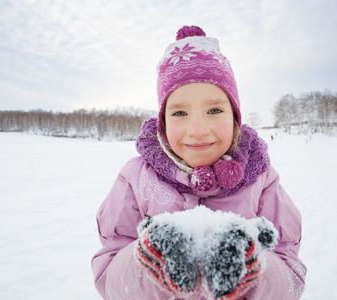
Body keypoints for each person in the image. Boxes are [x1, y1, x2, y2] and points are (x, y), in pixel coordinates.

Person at [91, 25, 306, 299]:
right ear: (163, 122)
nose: (197, 129)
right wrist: (150, 260)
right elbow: (108, 278)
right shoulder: (135, 178)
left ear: (235, 117)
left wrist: (252, 265)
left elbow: (291, 279)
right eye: (179, 112)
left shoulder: (262, 181)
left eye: (214, 110)